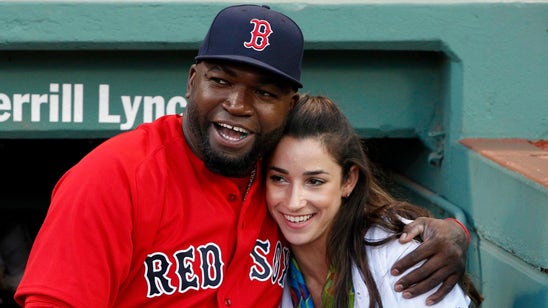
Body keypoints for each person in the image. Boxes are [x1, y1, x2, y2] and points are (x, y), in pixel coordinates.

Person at [15, 4, 470, 307]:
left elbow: (356, 208)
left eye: (264, 92)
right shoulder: (113, 176)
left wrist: (453, 232)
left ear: (289, 106)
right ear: (192, 79)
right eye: (221, 80)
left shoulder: (278, 178)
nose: (237, 104)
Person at [265, 94, 483, 307]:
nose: (294, 202)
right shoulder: (263, 260)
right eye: (279, 179)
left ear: (348, 180)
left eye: (314, 181)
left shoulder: (402, 257)